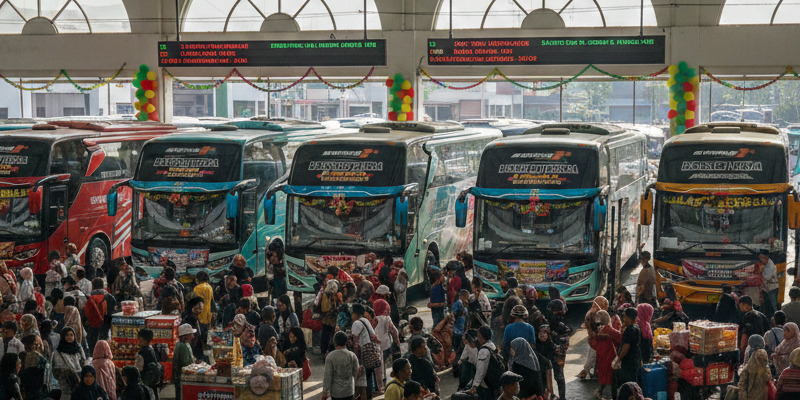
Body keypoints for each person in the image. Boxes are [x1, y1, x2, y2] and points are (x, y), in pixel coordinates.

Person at [590, 310, 621, 400]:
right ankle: (614, 395)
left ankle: (600, 391)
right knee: (612, 375)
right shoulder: (608, 328)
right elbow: (619, 337)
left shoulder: (598, 328)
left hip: (601, 352)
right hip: (609, 353)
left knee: (605, 373)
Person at [322, 331, 360, 400]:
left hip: (336, 393)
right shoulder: (352, 355)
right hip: (350, 391)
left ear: (335, 342)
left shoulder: (330, 356)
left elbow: (327, 376)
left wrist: (325, 392)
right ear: (346, 342)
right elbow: (357, 373)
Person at [614, 307, 642, 399]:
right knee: (634, 382)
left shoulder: (629, 330)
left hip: (628, 362)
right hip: (635, 360)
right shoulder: (637, 327)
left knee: (627, 385)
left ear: (629, 317)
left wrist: (618, 359)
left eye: (625, 317)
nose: (623, 319)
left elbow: (626, 347)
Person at [52, 327, 87, 396]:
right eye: (67, 335)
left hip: (80, 378)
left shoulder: (78, 349)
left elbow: (83, 362)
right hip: (67, 381)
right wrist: (70, 373)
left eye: (71, 335)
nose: (69, 337)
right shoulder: (58, 351)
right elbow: (58, 368)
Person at [374, 298, 400, 391]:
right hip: (386, 344)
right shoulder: (386, 318)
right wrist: (398, 342)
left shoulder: (373, 319)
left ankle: (380, 385)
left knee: (379, 366)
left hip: (376, 345)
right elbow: (394, 331)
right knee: (387, 365)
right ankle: (389, 384)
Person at [468, 325, 499, 400]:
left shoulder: (483, 351)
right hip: (494, 382)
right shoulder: (492, 345)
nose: (477, 339)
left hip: (486, 384)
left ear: (482, 337)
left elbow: (481, 370)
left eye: (478, 336)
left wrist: (474, 386)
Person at [86, 277, 116, 352]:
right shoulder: (110, 297)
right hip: (106, 325)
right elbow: (113, 312)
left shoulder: (89, 297)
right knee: (104, 342)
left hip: (92, 325)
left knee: (92, 344)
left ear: (93, 286)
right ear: (103, 286)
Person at [19, 335, 48, 400]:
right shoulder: (37, 356)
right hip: (38, 392)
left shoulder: (20, 356)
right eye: (36, 343)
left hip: (26, 391)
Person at [134, 328, 161, 400]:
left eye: (140, 340)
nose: (138, 342)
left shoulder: (142, 353)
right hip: (152, 382)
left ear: (145, 340)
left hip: (145, 382)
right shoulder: (151, 349)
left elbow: (137, 369)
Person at [173, 324, 196, 400]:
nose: (193, 335)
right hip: (181, 378)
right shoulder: (182, 346)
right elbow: (185, 364)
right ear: (187, 335)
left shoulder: (181, 344)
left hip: (180, 378)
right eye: (191, 334)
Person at [319, 279, 341, 356]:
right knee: (327, 336)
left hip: (328, 320)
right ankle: (325, 351)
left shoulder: (328, 294)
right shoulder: (327, 295)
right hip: (329, 320)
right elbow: (326, 308)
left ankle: (326, 351)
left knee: (326, 335)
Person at [193, 271, 214, 343]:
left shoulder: (197, 288)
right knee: (205, 332)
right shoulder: (209, 287)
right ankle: (204, 344)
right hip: (208, 314)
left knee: (198, 332)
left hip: (199, 314)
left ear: (198, 279)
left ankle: (200, 346)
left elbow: (195, 301)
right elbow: (212, 300)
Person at [759, 250, 780, 318]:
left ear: (766, 258)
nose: (760, 260)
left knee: (773, 307)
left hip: (772, 289)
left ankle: (776, 320)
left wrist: (759, 273)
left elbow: (766, 277)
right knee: (767, 308)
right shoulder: (765, 265)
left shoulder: (770, 266)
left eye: (761, 258)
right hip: (767, 289)